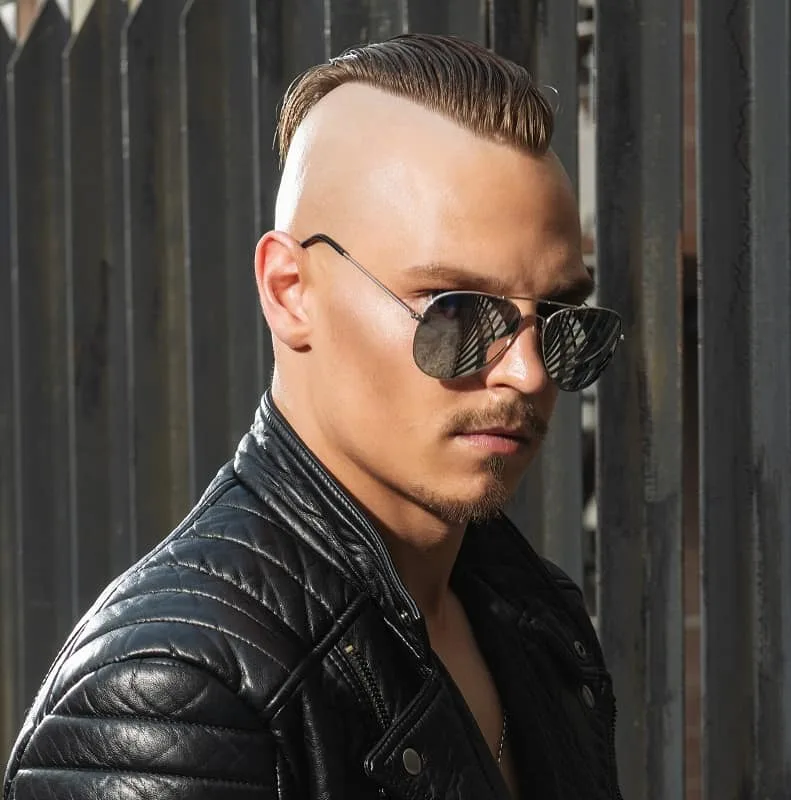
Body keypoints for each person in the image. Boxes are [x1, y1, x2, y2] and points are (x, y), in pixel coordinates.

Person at [3, 34, 623, 800]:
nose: (527, 373)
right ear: (290, 290)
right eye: (455, 310)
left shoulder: (532, 615)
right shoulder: (175, 701)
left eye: (558, 314)